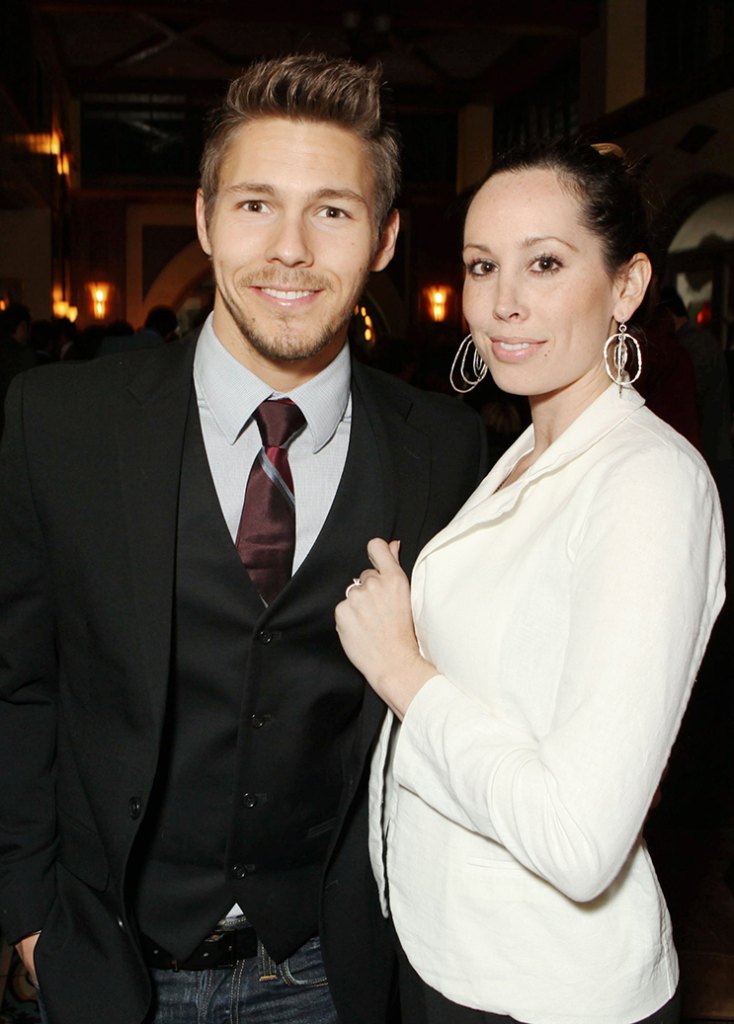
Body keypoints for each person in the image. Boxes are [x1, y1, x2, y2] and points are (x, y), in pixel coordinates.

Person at [0, 54, 488, 1024]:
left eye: (333, 211)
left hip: (327, 967)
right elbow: (17, 681)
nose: (292, 248)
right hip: (103, 962)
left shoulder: (444, 447)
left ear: (385, 236)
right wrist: (26, 919)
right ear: (203, 218)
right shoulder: (57, 422)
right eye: (256, 204)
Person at [335, 138, 726, 1024]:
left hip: (545, 992)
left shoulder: (648, 481)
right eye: (482, 266)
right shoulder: (525, 448)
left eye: (545, 263)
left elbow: (579, 840)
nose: (503, 303)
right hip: (451, 957)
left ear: (626, 287)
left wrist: (401, 669)